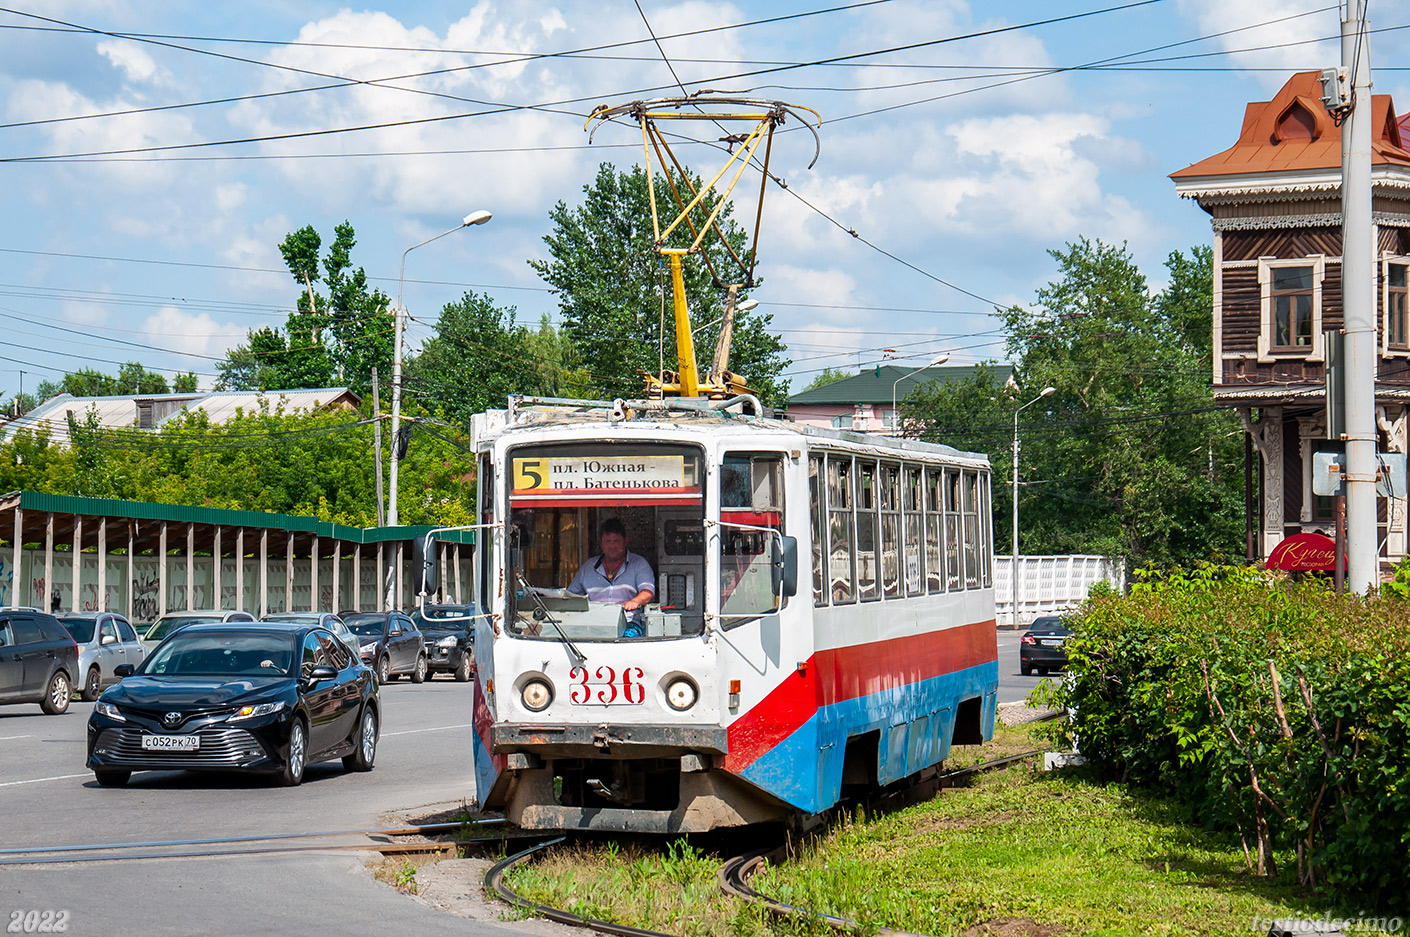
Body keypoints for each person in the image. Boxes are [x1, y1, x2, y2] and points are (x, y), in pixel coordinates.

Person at [567, 518, 655, 623]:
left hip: (628, 623)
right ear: (601, 543)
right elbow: (570, 596)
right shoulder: (588, 567)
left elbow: (647, 592)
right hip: (592, 623)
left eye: (616, 541)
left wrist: (635, 601)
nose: (612, 546)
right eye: (608, 541)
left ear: (625, 541)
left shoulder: (639, 564)